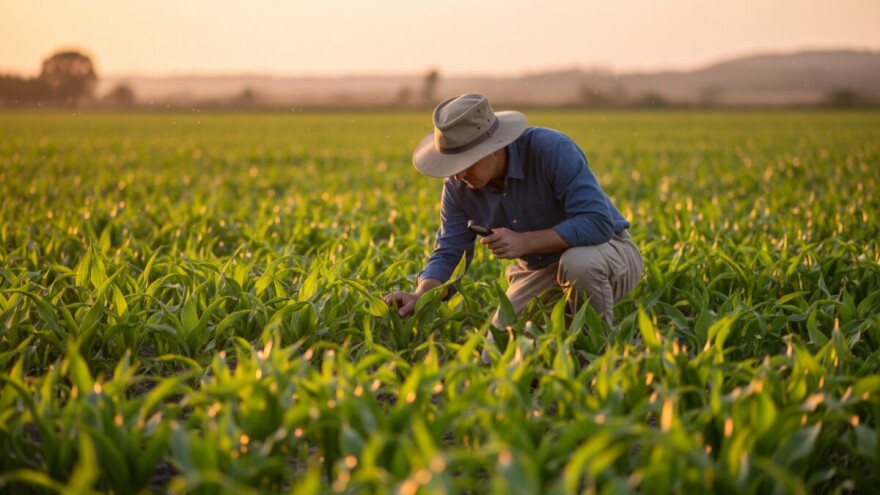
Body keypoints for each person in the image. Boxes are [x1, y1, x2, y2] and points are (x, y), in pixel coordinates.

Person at [384, 94, 642, 346]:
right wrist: (421, 296)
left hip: (608, 253)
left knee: (578, 264)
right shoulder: (456, 185)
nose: (459, 174)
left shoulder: (550, 151)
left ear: (495, 147)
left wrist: (525, 241)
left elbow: (598, 223)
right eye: (452, 164)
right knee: (497, 353)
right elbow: (450, 251)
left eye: (466, 162)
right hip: (540, 270)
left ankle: (598, 353)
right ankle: (560, 336)